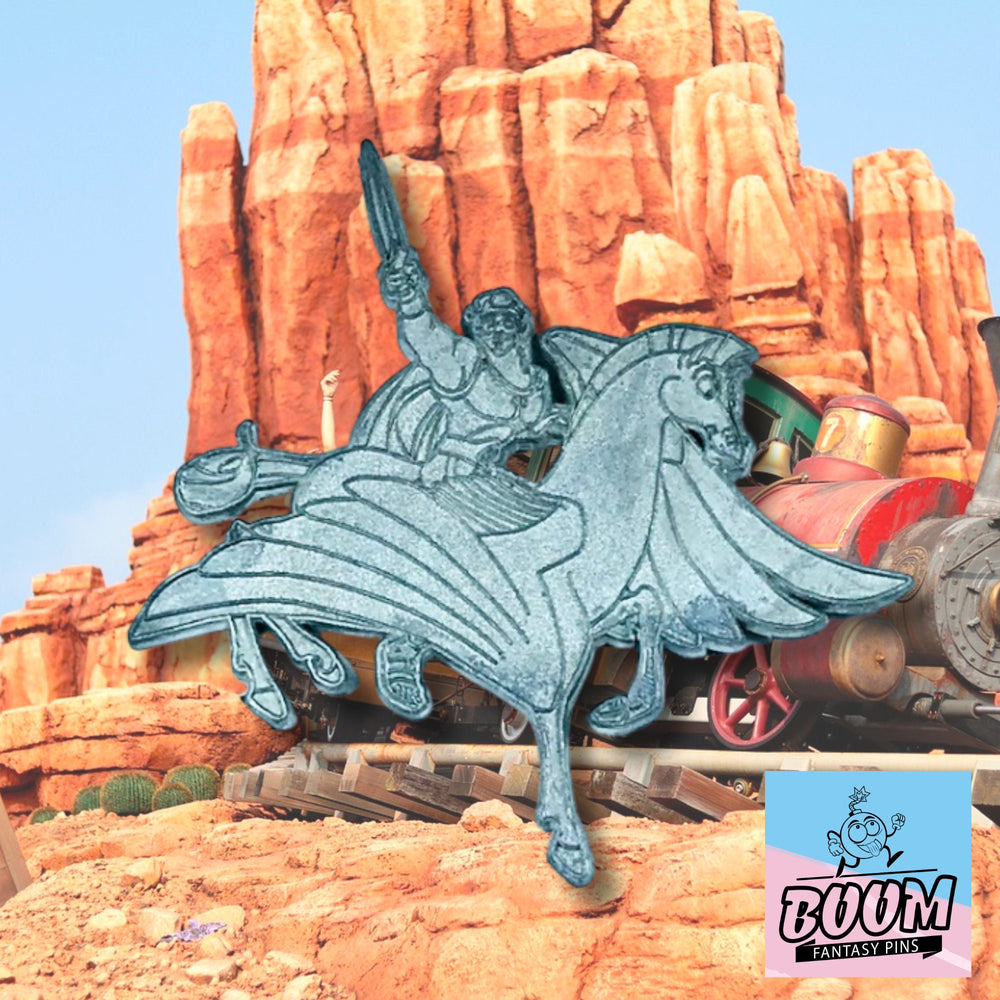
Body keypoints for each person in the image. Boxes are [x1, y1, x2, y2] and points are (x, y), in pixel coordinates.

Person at [372, 247, 568, 481]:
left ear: (519, 328)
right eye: (488, 323)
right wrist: (410, 300)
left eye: (506, 322)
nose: (497, 331)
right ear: (476, 328)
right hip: (458, 479)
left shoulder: (536, 380)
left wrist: (559, 427)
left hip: (516, 480)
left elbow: (541, 431)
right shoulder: (464, 364)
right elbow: (430, 341)